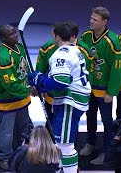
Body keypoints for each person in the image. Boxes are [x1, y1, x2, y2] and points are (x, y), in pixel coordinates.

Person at [29, 22, 92, 172]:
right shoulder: (75, 50)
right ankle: (61, 169)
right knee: (61, 142)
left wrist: (39, 79)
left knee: (65, 145)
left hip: (69, 102)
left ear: (56, 36)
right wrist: (43, 80)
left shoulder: (61, 54)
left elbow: (61, 81)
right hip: (74, 100)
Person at [79, 7, 121, 164]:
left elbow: (117, 70)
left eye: (95, 19)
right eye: (91, 18)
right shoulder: (85, 36)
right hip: (89, 88)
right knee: (89, 116)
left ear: (104, 22)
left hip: (104, 91)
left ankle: (106, 151)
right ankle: (91, 143)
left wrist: (111, 92)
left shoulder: (113, 42)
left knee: (106, 121)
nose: (91, 21)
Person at [36, 21, 94, 124]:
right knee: (58, 128)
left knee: (63, 134)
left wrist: (39, 82)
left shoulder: (63, 53)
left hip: (68, 99)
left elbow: (61, 82)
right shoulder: (75, 51)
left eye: (53, 35)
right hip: (68, 98)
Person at [0, 24, 32, 170]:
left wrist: (31, 81)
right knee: (6, 132)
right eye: (11, 34)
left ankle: (25, 153)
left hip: (21, 97)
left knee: (24, 128)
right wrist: (28, 90)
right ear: (3, 38)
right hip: (6, 100)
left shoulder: (19, 47)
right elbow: (10, 84)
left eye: (15, 33)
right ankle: (4, 158)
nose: (15, 36)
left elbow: (24, 69)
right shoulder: (3, 56)